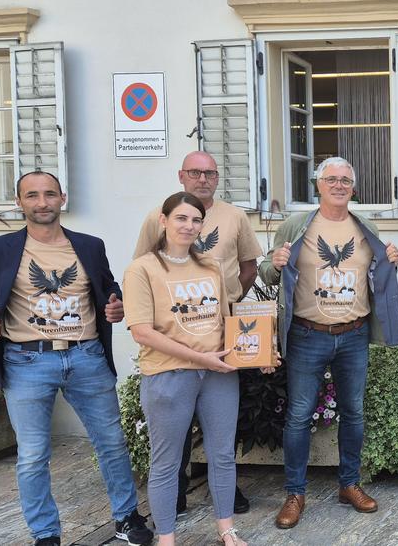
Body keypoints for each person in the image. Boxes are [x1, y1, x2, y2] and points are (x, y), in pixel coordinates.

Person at [0, 171, 153, 546]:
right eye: (32, 195)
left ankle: (126, 517)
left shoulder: (89, 246)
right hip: (26, 362)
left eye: (49, 194)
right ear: (19, 202)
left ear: (62, 198)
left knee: (111, 442)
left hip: (87, 357)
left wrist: (114, 305)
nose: (42, 202)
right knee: (32, 455)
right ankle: (46, 533)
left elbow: (107, 286)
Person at [262, 157, 398, 529]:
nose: (339, 185)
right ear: (318, 184)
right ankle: (295, 493)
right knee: (298, 415)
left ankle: (349, 485)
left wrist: (393, 261)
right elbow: (266, 271)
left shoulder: (364, 225)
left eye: (345, 180)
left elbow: (378, 272)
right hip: (307, 334)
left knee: (353, 413)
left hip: (353, 334)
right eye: (331, 179)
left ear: (353, 188)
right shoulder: (296, 225)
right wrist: (275, 263)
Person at [125, 192, 260, 546]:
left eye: (196, 220)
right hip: (168, 375)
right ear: (164, 221)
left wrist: (255, 354)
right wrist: (201, 359)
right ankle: (167, 537)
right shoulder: (142, 269)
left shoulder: (211, 266)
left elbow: (226, 317)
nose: (189, 226)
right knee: (167, 463)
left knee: (222, 455)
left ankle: (226, 529)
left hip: (217, 375)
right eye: (181, 218)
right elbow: (141, 331)